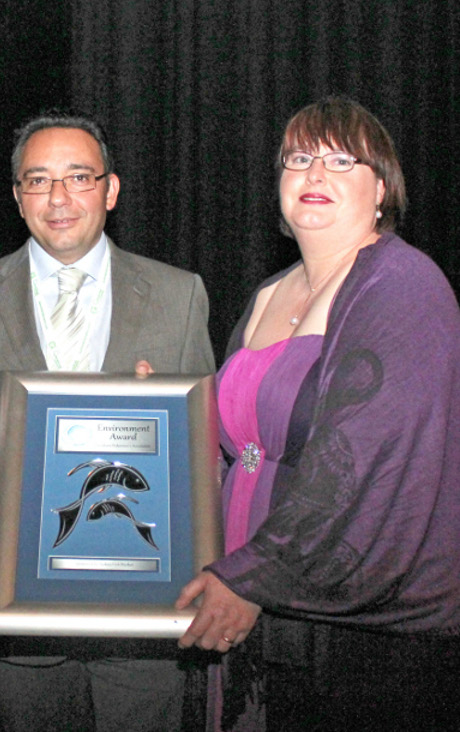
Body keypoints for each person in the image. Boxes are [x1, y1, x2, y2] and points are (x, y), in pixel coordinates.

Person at [173, 97, 460, 732]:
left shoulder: (403, 285)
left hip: (349, 633)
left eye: (339, 159)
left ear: (381, 189)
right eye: (299, 159)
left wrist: (254, 577)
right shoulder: (266, 294)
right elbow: (235, 445)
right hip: (251, 599)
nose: (314, 174)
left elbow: (363, 460)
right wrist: (154, 414)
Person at [0, 112, 215, 732]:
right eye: (38, 181)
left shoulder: (178, 295)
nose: (58, 198)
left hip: (146, 618)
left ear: (110, 190)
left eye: (78, 177)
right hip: (16, 621)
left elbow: (203, 464)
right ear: (16, 197)